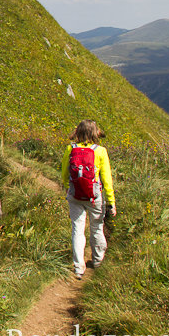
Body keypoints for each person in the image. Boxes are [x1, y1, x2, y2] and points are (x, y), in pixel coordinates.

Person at [62, 119, 116, 279]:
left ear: (77, 132)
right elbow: (107, 179)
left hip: (75, 195)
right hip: (95, 197)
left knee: (77, 229)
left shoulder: (70, 148)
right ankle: (98, 261)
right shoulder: (100, 151)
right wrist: (111, 202)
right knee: (97, 228)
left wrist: (67, 187)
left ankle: (78, 267)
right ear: (95, 133)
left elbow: (64, 173)